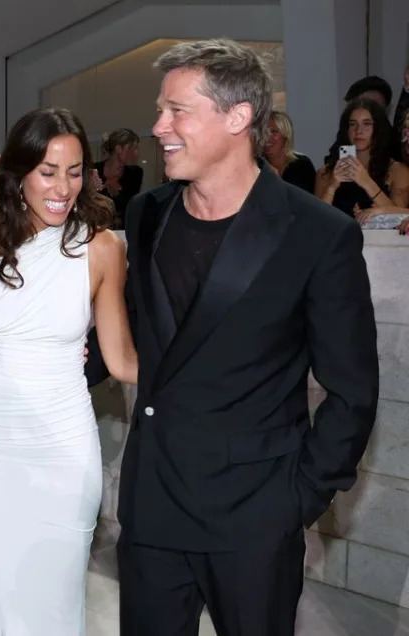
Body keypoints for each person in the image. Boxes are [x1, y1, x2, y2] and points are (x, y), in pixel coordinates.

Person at [110, 39, 377, 636]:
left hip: (252, 518)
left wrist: (296, 502)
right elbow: (151, 339)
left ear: (238, 118)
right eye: (161, 110)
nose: (158, 127)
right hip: (153, 505)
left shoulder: (317, 234)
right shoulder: (145, 214)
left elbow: (353, 393)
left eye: (177, 110)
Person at [0, 107, 137, 635]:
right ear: (18, 174)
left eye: (75, 171)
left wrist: (213, 375)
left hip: (63, 444)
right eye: (48, 171)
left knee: (54, 594)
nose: (63, 187)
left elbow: (123, 360)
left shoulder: (102, 250)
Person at [315, 98, 409, 216]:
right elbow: (317, 221)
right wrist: (331, 187)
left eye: (367, 124)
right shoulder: (325, 172)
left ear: (378, 128)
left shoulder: (398, 171)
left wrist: (366, 181)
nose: (358, 131)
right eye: (353, 124)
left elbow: (400, 218)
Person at [94, 128, 144, 228]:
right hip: (97, 228)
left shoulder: (135, 173)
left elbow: (131, 205)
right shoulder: (94, 170)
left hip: (123, 230)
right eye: (133, 148)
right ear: (118, 149)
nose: (136, 153)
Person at [264, 111, 316, 193]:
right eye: (264, 132)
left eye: (274, 132)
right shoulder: (257, 165)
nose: (267, 136)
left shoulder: (302, 165)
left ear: (286, 136)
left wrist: (276, 181)